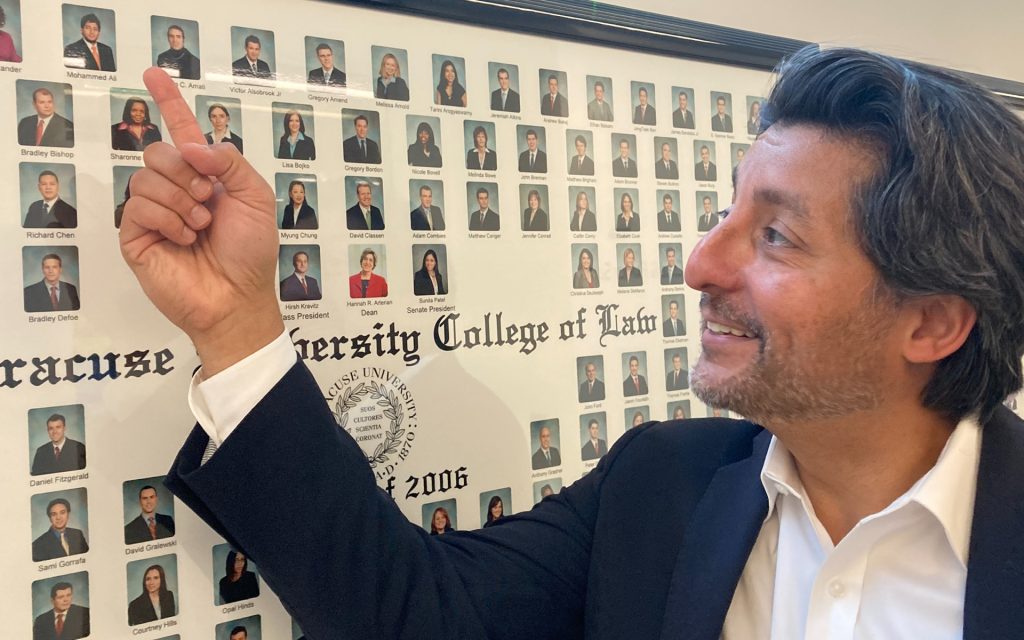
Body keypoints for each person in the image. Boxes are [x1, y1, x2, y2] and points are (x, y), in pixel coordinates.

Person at [124, 46, 1024, 638]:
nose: (701, 264)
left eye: (777, 237)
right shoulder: (661, 486)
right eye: (726, 214)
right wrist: (236, 323)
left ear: (934, 322)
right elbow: (408, 614)